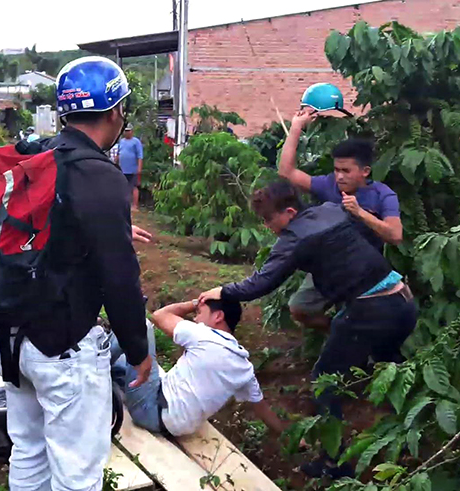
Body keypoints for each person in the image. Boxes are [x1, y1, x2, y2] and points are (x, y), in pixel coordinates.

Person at [0, 56, 152, 491]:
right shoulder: (100, 174)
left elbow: (45, 226)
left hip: (10, 336)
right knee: (77, 469)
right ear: (117, 111)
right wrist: (138, 347)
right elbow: (119, 277)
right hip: (62, 344)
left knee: (28, 448)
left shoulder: (39, 155)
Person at [198, 181, 416, 421]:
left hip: (371, 310)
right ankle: (413, 418)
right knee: (389, 362)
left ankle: (330, 456)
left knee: (324, 378)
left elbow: (263, 282)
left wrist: (224, 291)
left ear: (289, 213)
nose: (267, 226)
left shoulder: (295, 237)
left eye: (269, 220)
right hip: (402, 299)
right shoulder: (332, 210)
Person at [278, 107, 403, 332]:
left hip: (365, 271)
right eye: (336, 170)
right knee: (299, 308)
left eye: (346, 171)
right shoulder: (329, 185)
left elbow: (395, 235)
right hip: (328, 266)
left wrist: (360, 213)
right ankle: (339, 330)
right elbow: (287, 173)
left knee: (369, 318)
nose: (339, 176)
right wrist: (296, 127)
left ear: (365, 171)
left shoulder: (383, 195)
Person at [110, 298, 284, 437]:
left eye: (200, 312)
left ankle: (91, 362)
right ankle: (106, 365)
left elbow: (160, 315)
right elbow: (262, 409)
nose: (195, 318)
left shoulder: (205, 336)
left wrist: (194, 302)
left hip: (149, 410)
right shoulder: (244, 368)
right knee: (130, 357)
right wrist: (289, 435)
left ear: (218, 317)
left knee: (139, 325)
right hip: (171, 423)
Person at [115, 123, 144, 209]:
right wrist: (115, 162)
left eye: (128, 131)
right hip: (122, 168)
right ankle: (124, 204)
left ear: (132, 131)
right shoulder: (122, 141)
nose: (127, 132)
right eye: (125, 131)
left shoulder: (136, 142)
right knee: (123, 186)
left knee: (134, 187)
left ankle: (135, 205)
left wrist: (139, 167)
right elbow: (118, 153)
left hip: (132, 169)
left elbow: (140, 156)